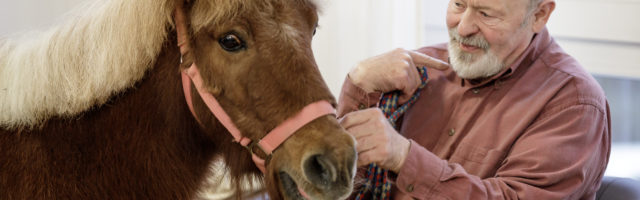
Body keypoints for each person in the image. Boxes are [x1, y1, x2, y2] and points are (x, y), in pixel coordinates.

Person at [337, 0, 611, 199]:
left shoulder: (573, 103)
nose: (464, 26)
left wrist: (404, 158)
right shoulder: (414, 69)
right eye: (458, 4)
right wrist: (358, 85)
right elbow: (331, 186)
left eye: (486, 14)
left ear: (539, 14)